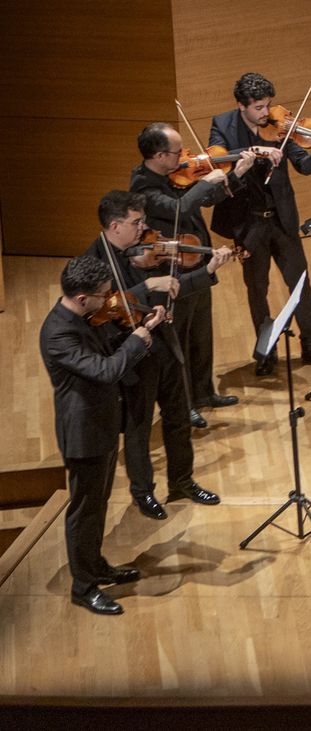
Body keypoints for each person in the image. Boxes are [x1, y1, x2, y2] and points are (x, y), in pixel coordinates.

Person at [84, 190, 226, 520]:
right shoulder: (92, 264)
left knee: (178, 420)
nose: (143, 228)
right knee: (139, 429)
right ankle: (143, 492)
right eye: (137, 222)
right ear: (115, 225)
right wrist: (146, 291)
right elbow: (100, 311)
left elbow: (170, 286)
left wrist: (206, 272)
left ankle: (182, 481)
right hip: (132, 358)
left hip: (164, 347)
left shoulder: (142, 251)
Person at [40, 255, 163, 615]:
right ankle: (84, 586)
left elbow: (109, 349)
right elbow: (105, 370)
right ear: (82, 298)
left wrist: (143, 327)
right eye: (104, 294)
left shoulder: (84, 315)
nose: (111, 299)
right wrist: (139, 340)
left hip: (102, 424)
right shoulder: (58, 334)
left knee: (99, 505)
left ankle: (96, 566)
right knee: (85, 512)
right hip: (83, 434)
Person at [209, 71, 311, 376]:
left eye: (267, 105)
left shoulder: (279, 125)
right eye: (258, 108)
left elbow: (304, 165)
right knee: (257, 287)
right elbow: (218, 161)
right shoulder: (223, 125)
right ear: (241, 106)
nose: (265, 113)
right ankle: (265, 350)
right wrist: (256, 151)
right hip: (248, 222)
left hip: (281, 220)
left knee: (300, 283)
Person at [131, 122, 252, 428]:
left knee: (201, 332)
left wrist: (236, 174)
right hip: (172, 272)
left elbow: (207, 199)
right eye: (176, 153)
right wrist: (206, 182)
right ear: (159, 156)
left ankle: (203, 392)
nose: (184, 158)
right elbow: (179, 209)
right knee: (179, 342)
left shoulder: (175, 174)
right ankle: (182, 405)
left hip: (196, 262)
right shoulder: (143, 186)